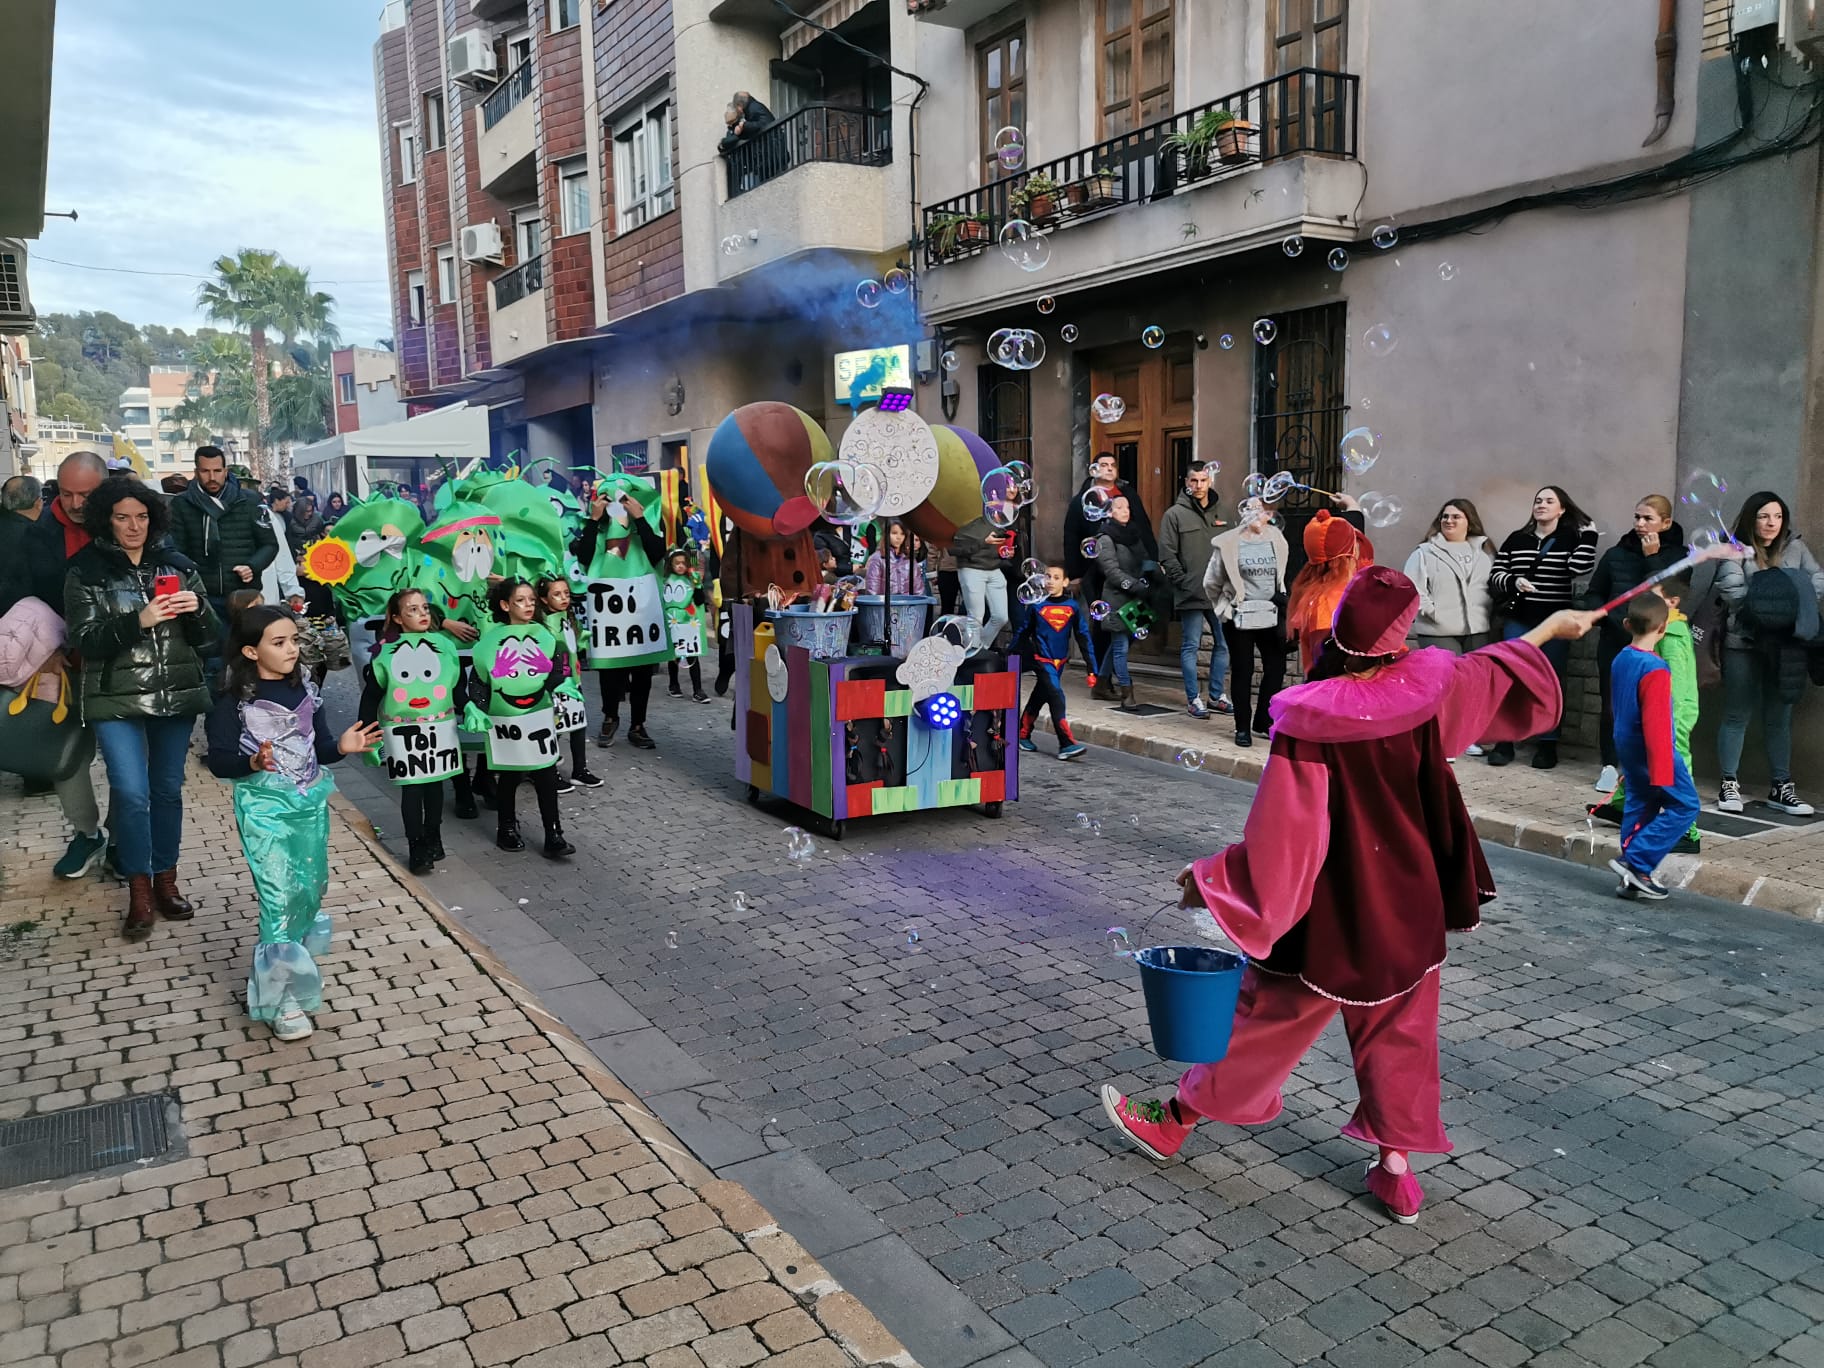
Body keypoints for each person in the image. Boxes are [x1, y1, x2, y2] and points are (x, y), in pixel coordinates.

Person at [1099, 565, 1601, 1224]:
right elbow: (1489, 672)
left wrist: (1216, 880)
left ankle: (1173, 1122)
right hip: (1408, 909)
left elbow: (1284, 842)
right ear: (1400, 636)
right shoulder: (1432, 689)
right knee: (1402, 1039)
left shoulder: (1309, 723)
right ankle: (1397, 1174)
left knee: (1264, 1025)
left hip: (1328, 917)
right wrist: (1551, 627)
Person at [206, 607, 381, 1040]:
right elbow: (220, 760)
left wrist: (342, 745)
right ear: (251, 650)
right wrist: (252, 760)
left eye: (294, 641)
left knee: (309, 888)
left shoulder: (304, 685)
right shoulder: (233, 700)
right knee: (279, 895)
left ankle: (294, 968)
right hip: (264, 809)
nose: (291, 650)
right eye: (279, 643)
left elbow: (318, 747)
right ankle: (278, 999)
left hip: (308, 804)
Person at [64, 476, 221, 939]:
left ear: (153, 519)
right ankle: (138, 888)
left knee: (167, 791)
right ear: (106, 520)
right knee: (131, 793)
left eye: (141, 516)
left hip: (176, 693)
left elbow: (210, 639)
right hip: (115, 696)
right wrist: (141, 619)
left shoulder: (176, 564)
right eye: (122, 517)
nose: (133, 526)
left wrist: (198, 610)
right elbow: (85, 640)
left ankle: (166, 879)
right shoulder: (85, 570)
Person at [1713, 490, 1824, 814]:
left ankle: (1781, 787)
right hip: (1743, 643)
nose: (1771, 522)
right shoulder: (1734, 549)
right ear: (1752, 518)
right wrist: (1765, 605)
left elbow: (1817, 579)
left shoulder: (1796, 548)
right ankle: (1729, 784)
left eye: (1777, 516)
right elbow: (1731, 588)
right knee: (1736, 714)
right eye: (1763, 516)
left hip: (1785, 646)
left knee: (1780, 717)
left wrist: (1789, 599)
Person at [1486, 485, 1599, 770]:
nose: (1542, 505)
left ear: (1562, 509)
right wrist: (1514, 582)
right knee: (1511, 677)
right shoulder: (1517, 538)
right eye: (1538, 500)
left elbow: (1579, 567)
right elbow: (1496, 574)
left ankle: (1548, 744)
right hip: (1519, 619)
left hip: (1555, 622)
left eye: (1549, 501)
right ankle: (1505, 740)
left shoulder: (1570, 538)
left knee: (1550, 681)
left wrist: (1589, 535)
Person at [466, 578, 575, 859]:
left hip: (538, 717)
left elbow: (556, 668)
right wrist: (478, 708)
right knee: (511, 775)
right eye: (520, 600)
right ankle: (506, 828)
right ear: (505, 605)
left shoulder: (545, 634)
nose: (528, 605)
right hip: (505, 720)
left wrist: (559, 685)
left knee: (547, 775)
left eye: (531, 600)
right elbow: (479, 679)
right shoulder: (490, 642)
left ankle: (554, 833)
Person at [1583, 495, 1684, 794]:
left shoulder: (1678, 556)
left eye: (1648, 519)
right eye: (1637, 517)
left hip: (1656, 645)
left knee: (1652, 708)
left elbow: (1667, 593)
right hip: (1615, 640)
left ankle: (1642, 768)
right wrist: (1607, 617)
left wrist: (1652, 557)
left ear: (1665, 523)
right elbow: (1594, 593)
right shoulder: (1616, 554)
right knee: (1612, 705)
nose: (1640, 524)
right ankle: (1609, 765)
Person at [361, 587, 465, 875]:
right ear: (397, 617)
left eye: (424, 608)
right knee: (412, 788)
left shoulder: (444, 645)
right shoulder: (384, 650)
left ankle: (434, 836)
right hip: (402, 729)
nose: (421, 614)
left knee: (435, 786)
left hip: (440, 726)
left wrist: (470, 708)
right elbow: (371, 694)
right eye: (412, 609)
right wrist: (366, 735)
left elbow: (457, 684)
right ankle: (416, 846)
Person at [1605, 594, 1702, 900]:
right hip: (1654, 752)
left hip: (1627, 745)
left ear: (1627, 624)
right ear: (1663, 629)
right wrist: (1662, 770)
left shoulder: (1621, 657)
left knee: (1639, 802)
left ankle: (1632, 873)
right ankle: (1636, 862)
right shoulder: (1656, 669)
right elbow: (1657, 725)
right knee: (1686, 805)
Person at [1593, 576, 1701, 848]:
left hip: (1672, 715)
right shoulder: (1642, 651)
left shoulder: (1671, 637)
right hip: (1654, 722)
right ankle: (1629, 837)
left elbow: (1674, 684)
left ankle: (1687, 833)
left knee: (1677, 776)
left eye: (1656, 597)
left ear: (1672, 605)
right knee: (1644, 787)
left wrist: (1672, 721)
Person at [574, 486, 666, 752]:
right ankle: (610, 716)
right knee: (610, 669)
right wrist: (593, 520)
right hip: (609, 612)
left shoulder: (646, 525)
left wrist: (640, 518)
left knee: (642, 670)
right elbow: (584, 556)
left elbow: (658, 552)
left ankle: (638, 724)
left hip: (640, 610)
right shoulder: (598, 529)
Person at [1065, 452, 1156, 700]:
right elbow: (1071, 537)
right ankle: (1102, 679)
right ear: (1094, 470)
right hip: (1095, 572)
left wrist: (1153, 562)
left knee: (1128, 628)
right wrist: (1074, 574)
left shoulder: (1127, 496)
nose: (1108, 469)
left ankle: (1105, 679)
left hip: (1129, 571)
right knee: (1103, 627)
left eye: (1112, 465)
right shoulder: (1081, 501)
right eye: (1103, 465)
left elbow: (1144, 529)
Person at [1204, 499, 1291, 749]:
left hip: (1270, 614)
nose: (1256, 514)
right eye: (1250, 508)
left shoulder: (1277, 539)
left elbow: (1281, 574)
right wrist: (1224, 606)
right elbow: (1212, 581)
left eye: (1261, 510)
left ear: (1269, 515)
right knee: (1243, 670)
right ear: (1242, 513)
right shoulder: (1229, 542)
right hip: (1239, 616)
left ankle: (1263, 719)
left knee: (1276, 666)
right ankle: (1242, 726)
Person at [167, 446, 280, 629]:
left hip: (245, 594)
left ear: (225, 471)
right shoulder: (181, 504)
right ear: (196, 472)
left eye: (217, 471)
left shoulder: (250, 501)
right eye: (205, 471)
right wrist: (193, 572)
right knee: (213, 654)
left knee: (248, 650)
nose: (212, 477)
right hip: (202, 595)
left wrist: (252, 566)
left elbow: (270, 545)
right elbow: (175, 550)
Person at [1158, 462, 1232, 719]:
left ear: (1210, 480)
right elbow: (1167, 553)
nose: (1199, 485)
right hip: (1190, 592)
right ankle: (1193, 699)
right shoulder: (1174, 515)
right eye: (1193, 481)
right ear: (1186, 483)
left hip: (1219, 592)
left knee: (1224, 644)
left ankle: (1216, 695)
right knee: (1191, 645)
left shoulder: (1223, 511)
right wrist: (1183, 581)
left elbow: (1231, 548)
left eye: (1203, 480)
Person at [1015, 564, 1095, 760]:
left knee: (1040, 695)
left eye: (1056, 577)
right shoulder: (1036, 605)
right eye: (1048, 576)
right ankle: (1066, 743)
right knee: (1056, 695)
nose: (1050, 581)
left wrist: (1092, 668)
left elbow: (1083, 637)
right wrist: (1008, 655)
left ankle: (1022, 734)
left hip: (1061, 662)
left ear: (1065, 582)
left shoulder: (1072, 607)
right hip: (1042, 659)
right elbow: (1023, 632)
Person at [1286, 503, 1372, 674]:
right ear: (1348, 553)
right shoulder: (1331, 599)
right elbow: (1331, 659)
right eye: (1355, 543)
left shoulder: (1315, 591)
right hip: (1338, 687)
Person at [535, 576, 603, 793]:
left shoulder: (568, 618)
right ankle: (549, 772)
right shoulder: (541, 625)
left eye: (566, 593)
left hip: (574, 682)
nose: (564, 598)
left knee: (578, 725)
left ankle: (580, 770)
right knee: (553, 728)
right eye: (556, 594)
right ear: (544, 600)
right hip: (554, 686)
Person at [1402, 499, 1494, 655]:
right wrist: (1432, 612)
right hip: (1437, 632)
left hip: (1478, 631)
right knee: (1450, 676)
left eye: (1456, 517)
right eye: (1445, 517)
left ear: (1469, 522)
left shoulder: (1485, 553)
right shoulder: (1423, 553)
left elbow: (1491, 587)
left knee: (1475, 677)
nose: (1449, 521)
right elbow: (1411, 588)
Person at [1094, 496, 1154, 709]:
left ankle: (1101, 683)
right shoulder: (1105, 539)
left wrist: (1155, 575)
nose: (1125, 511)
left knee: (1122, 643)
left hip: (1135, 599)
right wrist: (1136, 585)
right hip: (1117, 599)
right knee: (1120, 646)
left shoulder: (1133, 535)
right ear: (1109, 512)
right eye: (1119, 507)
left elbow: (1144, 561)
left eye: (1127, 507)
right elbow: (1111, 572)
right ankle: (1127, 692)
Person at [952, 516, 1010, 653]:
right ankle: (974, 652)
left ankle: (978, 649)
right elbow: (953, 550)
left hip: (994, 568)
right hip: (971, 569)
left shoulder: (999, 520)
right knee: (976, 616)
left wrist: (1005, 553)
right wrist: (983, 542)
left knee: (1001, 616)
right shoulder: (962, 523)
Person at [661, 548, 712, 702]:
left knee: (692, 657)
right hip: (672, 623)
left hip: (689, 624)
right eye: (677, 563)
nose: (681, 566)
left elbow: (699, 601)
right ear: (670, 564)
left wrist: (698, 586)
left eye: (684, 563)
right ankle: (673, 684)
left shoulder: (692, 579)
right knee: (673, 655)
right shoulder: (664, 580)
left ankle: (698, 690)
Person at [863, 519, 927, 597]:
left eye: (902, 534)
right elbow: (872, 590)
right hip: (884, 606)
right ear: (887, 534)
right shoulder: (877, 558)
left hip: (907, 606)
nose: (898, 537)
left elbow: (918, 589)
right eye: (894, 533)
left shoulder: (909, 560)